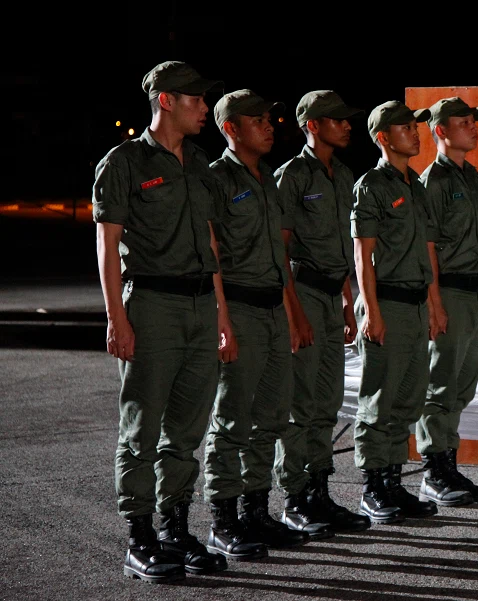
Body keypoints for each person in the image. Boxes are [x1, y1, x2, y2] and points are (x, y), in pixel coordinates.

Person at [93, 60, 229, 583]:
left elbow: (212, 245)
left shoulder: (199, 164)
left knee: (186, 430)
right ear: (167, 101)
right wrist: (116, 318)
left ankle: (175, 528)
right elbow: (107, 246)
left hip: (199, 306)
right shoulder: (124, 162)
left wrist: (220, 313)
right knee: (141, 429)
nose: (204, 109)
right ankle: (140, 537)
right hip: (151, 305)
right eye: (196, 100)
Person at [202, 89, 309, 561]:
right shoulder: (216, 180)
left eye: (270, 120)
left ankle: (256, 511)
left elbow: (279, 257)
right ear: (230, 129)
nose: (269, 127)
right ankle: (223, 521)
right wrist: (222, 319)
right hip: (240, 309)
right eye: (258, 121)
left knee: (270, 417)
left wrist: (290, 314)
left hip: (270, 309)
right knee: (232, 420)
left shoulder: (266, 178)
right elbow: (213, 259)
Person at [274, 90, 370, 536]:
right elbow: (282, 250)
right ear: (312, 125)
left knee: (328, 403)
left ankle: (319, 493)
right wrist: (294, 314)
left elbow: (343, 249)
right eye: (337, 120)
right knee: (301, 404)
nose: (347, 125)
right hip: (304, 293)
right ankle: (294, 498)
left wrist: (349, 300)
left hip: (333, 296)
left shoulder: (344, 173)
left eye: (347, 119)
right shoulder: (291, 176)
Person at [351, 101, 440, 522]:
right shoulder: (372, 185)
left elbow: (427, 250)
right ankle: (372, 487)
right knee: (379, 400)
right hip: (386, 301)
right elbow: (362, 256)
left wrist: (435, 304)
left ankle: (392, 482)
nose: (416, 133)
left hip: (415, 303)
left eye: (416, 127)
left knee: (407, 397)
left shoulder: (416, 186)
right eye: (405, 128)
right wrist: (371, 310)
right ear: (384, 137)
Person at [417, 97, 478, 506]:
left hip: (472, 289)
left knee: (462, 383)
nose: (473, 127)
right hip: (446, 289)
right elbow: (427, 246)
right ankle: (433, 471)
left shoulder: (471, 178)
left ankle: (448, 463)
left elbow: (477, 241)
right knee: (441, 382)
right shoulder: (432, 181)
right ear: (441, 131)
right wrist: (434, 303)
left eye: (474, 121)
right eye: (464, 122)